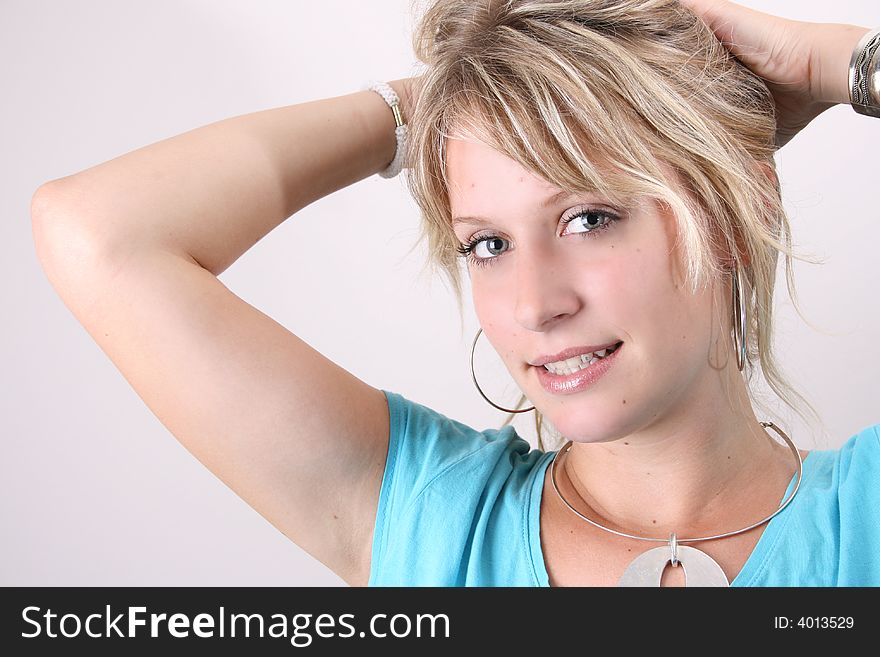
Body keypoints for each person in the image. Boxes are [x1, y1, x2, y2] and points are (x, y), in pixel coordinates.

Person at [30, 0, 879, 587]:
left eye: (588, 218)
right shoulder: (428, 516)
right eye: (488, 242)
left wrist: (847, 64)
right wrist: (437, 105)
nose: (535, 303)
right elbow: (97, 232)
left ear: (739, 212)